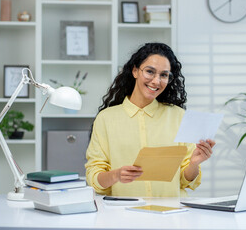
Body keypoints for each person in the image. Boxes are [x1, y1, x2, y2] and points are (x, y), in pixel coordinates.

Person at [85, 42, 215, 197]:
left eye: (164, 75)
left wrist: (194, 163)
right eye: (150, 72)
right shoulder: (106, 118)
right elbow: (94, 178)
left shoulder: (179, 116)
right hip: (125, 214)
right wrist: (116, 175)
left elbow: (185, 181)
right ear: (135, 71)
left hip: (172, 214)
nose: (156, 81)